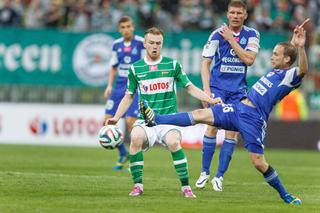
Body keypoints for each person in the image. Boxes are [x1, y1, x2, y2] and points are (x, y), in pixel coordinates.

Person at [141, 19, 309, 204]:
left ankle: (285, 195)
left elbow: (302, 69)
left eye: (276, 54)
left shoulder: (289, 76)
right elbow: (289, 55)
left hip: (253, 120)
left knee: (258, 163)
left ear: (286, 60)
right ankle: (156, 119)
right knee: (200, 115)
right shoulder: (277, 70)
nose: (271, 57)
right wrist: (293, 44)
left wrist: (300, 47)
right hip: (239, 108)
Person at [106, 27, 216, 198]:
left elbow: (190, 88)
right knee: (135, 138)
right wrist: (115, 117)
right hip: (146, 120)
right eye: (151, 43)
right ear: (145, 43)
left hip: (169, 120)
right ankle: (137, 186)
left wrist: (210, 100)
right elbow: (128, 97)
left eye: (158, 43)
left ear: (162, 44)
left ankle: (186, 187)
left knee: (174, 143)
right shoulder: (136, 68)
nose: (155, 46)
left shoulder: (172, 65)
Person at [197, 0, 260, 191]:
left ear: (245, 15)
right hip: (218, 89)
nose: (235, 16)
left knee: (232, 132)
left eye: (239, 13)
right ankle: (204, 172)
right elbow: (205, 64)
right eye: (232, 13)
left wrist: (231, 39)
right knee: (212, 128)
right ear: (227, 14)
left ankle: (219, 176)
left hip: (238, 91)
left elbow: (249, 60)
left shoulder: (252, 35)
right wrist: (206, 91)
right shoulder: (216, 34)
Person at [104, 16, 144, 171]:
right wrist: (109, 86)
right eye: (123, 27)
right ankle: (123, 154)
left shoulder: (141, 43)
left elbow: (145, 64)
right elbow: (113, 67)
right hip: (119, 86)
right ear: (119, 29)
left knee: (130, 122)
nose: (126, 29)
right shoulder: (116, 45)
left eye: (128, 26)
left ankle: (135, 159)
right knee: (107, 121)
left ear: (133, 27)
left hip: (135, 86)